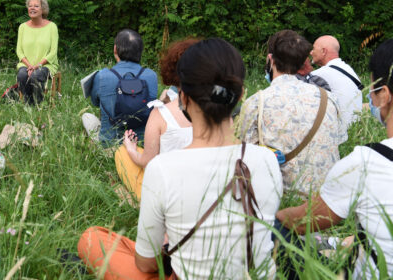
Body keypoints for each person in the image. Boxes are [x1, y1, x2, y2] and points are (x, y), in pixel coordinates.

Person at [78, 38, 283, 279]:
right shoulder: (267, 161)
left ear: (183, 98)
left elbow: (146, 265)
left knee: (91, 238)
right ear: (240, 97)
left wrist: (168, 244)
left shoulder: (162, 169)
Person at [276, 38, 393, 279]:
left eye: (372, 90)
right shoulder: (347, 70)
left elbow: (302, 221)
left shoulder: (367, 162)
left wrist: (271, 218)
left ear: (384, 95)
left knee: (274, 229)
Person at [239, 30, 346, 196]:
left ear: (270, 60)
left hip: (280, 201)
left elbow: (244, 155)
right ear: (302, 63)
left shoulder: (256, 102)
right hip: (327, 202)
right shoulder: (329, 98)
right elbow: (339, 141)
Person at [114, 38, 197, 200]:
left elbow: (147, 162)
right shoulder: (219, 111)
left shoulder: (160, 113)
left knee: (121, 152)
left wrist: (130, 147)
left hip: (168, 194)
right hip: (201, 188)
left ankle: (137, 199)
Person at [81, 29, 158, 147]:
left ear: (115, 49)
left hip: (111, 146)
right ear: (140, 51)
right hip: (142, 146)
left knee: (86, 117)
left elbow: (95, 102)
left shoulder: (102, 76)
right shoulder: (151, 76)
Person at [311, 35, 363, 128]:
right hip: (355, 127)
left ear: (323, 51)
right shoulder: (348, 69)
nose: (311, 52)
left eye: (313, 49)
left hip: (340, 129)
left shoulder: (321, 73)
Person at [16, 0, 59, 105]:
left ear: (43, 9)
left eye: (36, 6)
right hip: (26, 65)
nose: (32, 8)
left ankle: (38, 104)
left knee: (36, 75)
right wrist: (29, 65)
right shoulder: (22, 27)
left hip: (45, 65)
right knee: (22, 75)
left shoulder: (52, 27)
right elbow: (19, 51)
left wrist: (38, 65)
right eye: (30, 6)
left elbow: (53, 52)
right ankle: (28, 103)